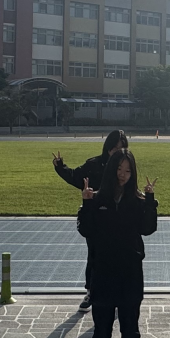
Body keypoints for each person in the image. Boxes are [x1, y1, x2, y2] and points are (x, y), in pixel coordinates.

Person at [77, 150, 158, 338]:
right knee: (101, 326)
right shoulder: (98, 198)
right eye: (119, 169)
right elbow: (86, 230)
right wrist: (87, 203)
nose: (123, 175)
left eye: (128, 170)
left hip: (130, 272)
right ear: (112, 169)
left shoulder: (138, 200)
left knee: (129, 326)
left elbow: (148, 229)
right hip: (103, 271)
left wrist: (151, 200)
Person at [53, 130, 129, 312]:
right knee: (94, 256)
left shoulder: (126, 167)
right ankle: (91, 292)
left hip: (119, 219)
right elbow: (76, 177)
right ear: (108, 148)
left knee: (120, 256)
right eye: (114, 148)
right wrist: (60, 167)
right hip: (97, 219)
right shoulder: (94, 164)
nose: (117, 152)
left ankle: (118, 294)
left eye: (121, 148)